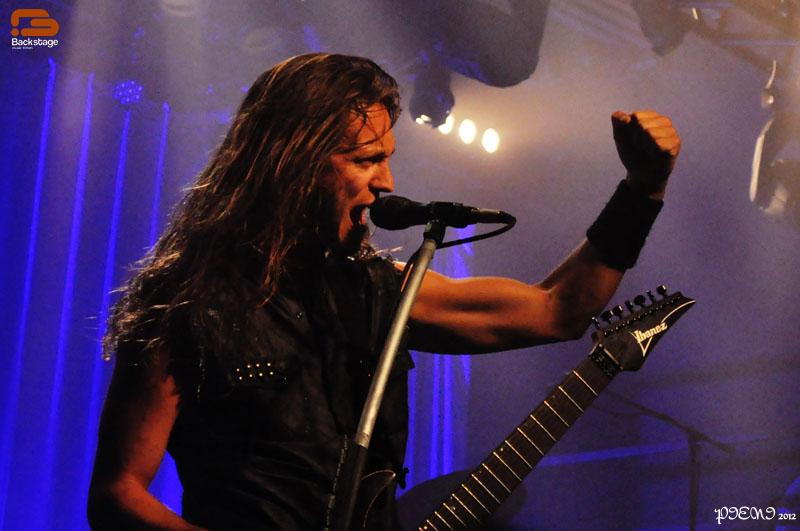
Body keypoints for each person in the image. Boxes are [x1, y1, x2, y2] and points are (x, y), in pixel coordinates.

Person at [87, 53, 680, 530]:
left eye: (388, 159)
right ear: (293, 162)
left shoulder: (380, 291)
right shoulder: (187, 303)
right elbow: (118, 493)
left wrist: (641, 190)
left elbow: (558, 309)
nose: (386, 182)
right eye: (365, 159)